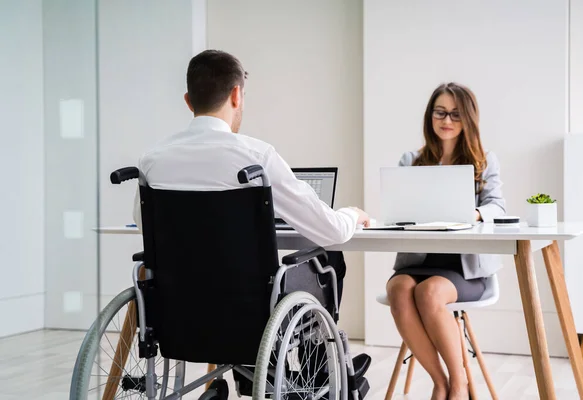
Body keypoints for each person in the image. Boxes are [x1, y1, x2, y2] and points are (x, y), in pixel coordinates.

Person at [131, 48, 371, 382]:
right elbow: (330, 230)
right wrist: (351, 213)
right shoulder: (255, 157)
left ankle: (251, 376)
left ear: (189, 100)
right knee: (329, 256)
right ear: (236, 94)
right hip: (248, 313)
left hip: (178, 312)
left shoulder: (152, 161)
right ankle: (320, 373)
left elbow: (146, 227)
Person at [386, 82, 506, 400]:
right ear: (430, 116)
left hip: (466, 270)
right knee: (398, 289)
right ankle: (441, 382)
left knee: (430, 293)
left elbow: (498, 207)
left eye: (455, 113)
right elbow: (398, 209)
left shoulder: (484, 161)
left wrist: (474, 213)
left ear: (467, 117)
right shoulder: (411, 160)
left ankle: (459, 382)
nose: (447, 120)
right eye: (440, 112)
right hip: (420, 262)